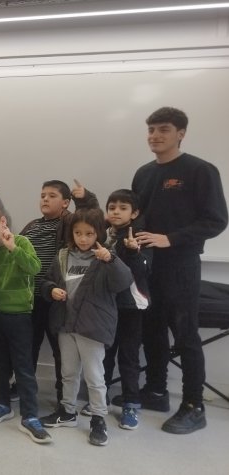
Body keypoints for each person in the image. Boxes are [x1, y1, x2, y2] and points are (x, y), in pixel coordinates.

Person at [131, 106, 228, 434]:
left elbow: (216, 220)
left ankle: (193, 405)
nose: (155, 136)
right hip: (147, 266)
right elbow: (136, 216)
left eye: (163, 130)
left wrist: (169, 239)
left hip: (181, 265)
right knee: (152, 331)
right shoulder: (143, 173)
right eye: (151, 130)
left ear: (181, 133)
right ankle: (157, 391)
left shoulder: (200, 170)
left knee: (186, 336)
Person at [39, 208, 133, 446]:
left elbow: (123, 282)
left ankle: (98, 418)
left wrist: (111, 259)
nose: (83, 238)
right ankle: (67, 412)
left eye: (89, 233)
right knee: (68, 372)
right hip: (65, 324)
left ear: (98, 233)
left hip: (92, 326)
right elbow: (48, 281)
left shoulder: (106, 257)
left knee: (94, 375)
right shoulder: (63, 255)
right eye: (78, 233)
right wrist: (50, 290)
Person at [0, 206, 50, 444]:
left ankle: (30, 415)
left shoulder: (22, 242)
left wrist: (13, 248)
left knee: (23, 367)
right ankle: (3, 404)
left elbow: (35, 268)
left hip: (19, 315)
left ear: (2, 221)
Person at [19, 179, 98, 403]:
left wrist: (85, 199)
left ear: (65, 203)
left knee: (61, 350)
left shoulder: (69, 222)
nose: (45, 199)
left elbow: (90, 219)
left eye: (52, 196)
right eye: (43, 195)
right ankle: (26, 388)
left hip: (58, 298)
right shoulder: (33, 225)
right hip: (32, 296)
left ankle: (65, 393)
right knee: (29, 346)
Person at [102, 189, 151, 430]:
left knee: (129, 358)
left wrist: (133, 251)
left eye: (123, 208)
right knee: (105, 355)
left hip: (131, 307)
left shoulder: (137, 236)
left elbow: (141, 270)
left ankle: (131, 404)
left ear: (135, 213)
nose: (116, 212)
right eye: (112, 207)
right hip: (109, 306)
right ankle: (100, 400)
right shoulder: (106, 234)